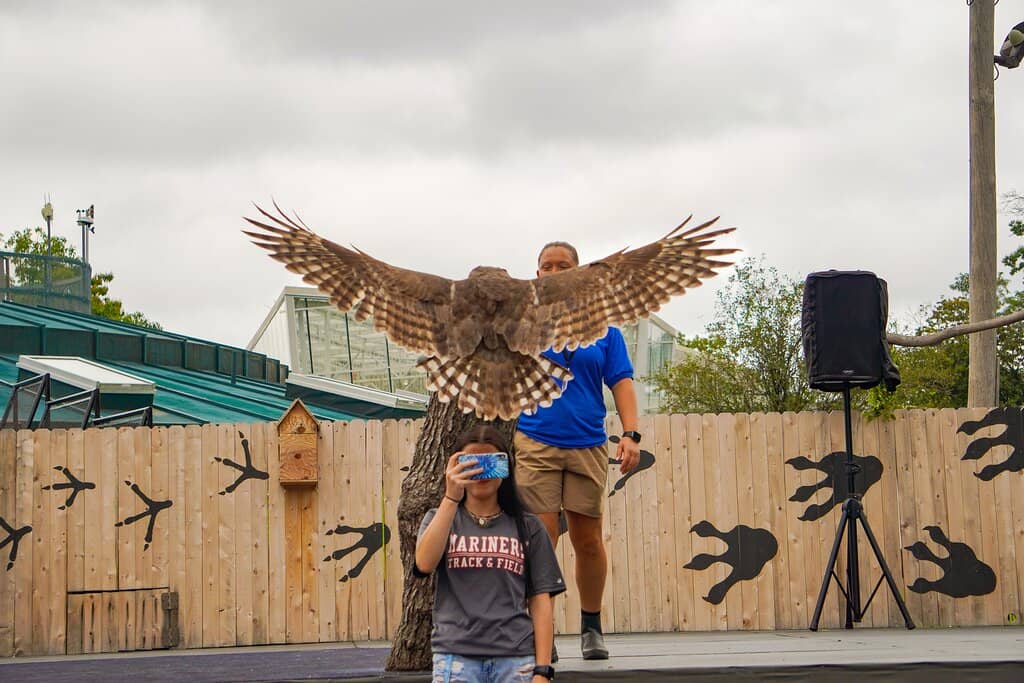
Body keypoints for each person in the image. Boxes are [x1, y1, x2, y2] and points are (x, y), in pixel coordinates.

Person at [514, 240, 642, 661]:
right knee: (541, 537)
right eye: (546, 266)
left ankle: (591, 626)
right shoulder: (522, 324)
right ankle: (540, 631)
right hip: (535, 440)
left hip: (587, 442)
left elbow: (620, 381)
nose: (554, 272)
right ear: (537, 275)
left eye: (562, 265)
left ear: (578, 272)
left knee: (588, 540)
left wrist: (631, 433)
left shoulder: (604, 327)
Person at [415, 425, 565, 683]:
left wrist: (543, 670)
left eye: (490, 461)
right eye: (470, 463)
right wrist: (451, 497)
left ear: (505, 467)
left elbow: (541, 602)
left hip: (516, 660)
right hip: (455, 658)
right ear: (455, 467)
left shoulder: (529, 526)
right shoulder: (438, 519)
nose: (480, 472)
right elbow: (424, 564)